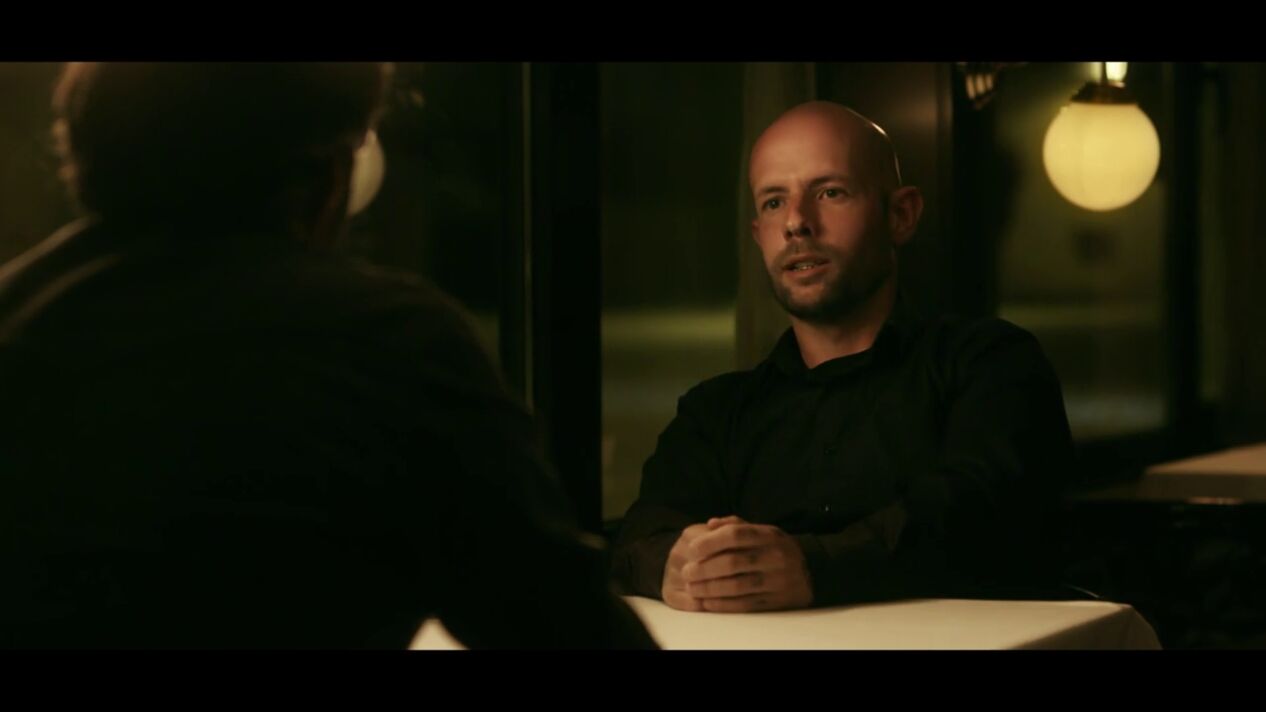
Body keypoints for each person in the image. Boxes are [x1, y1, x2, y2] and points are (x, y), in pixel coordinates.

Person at [0, 62, 654, 649]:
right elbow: (560, 623)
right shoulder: (387, 343)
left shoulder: (18, 317)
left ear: (84, 156)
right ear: (331, 177)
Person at [612, 101, 1073, 612]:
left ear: (901, 215)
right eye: (773, 202)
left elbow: (977, 516)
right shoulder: (715, 413)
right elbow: (639, 537)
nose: (796, 223)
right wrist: (677, 566)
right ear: (758, 236)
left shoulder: (991, 365)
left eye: (830, 192)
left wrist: (813, 565)